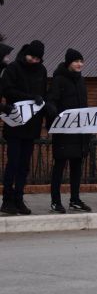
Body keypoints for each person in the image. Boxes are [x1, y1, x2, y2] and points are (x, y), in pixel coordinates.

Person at [0, 40, 50, 215]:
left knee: (24, 165)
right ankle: (7, 199)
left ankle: (19, 198)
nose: (34, 61)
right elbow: (7, 90)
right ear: (26, 53)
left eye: (37, 58)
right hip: (15, 122)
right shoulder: (13, 68)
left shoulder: (41, 71)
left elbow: (43, 93)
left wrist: (42, 105)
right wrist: (30, 97)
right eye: (32, 56)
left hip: (32, 124)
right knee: (13, 163)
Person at [46, 49, 92, 213]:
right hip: (64, 132)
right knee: (59, 167)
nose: (79, 64)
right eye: (76, 61)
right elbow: (51, 102)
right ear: (68, 63)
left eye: (81, 61)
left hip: (80, 132)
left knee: (76, 168)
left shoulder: (81, 81)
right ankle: (55, 201)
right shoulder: (59, 80)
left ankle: (75, 199)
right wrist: (56, 115)